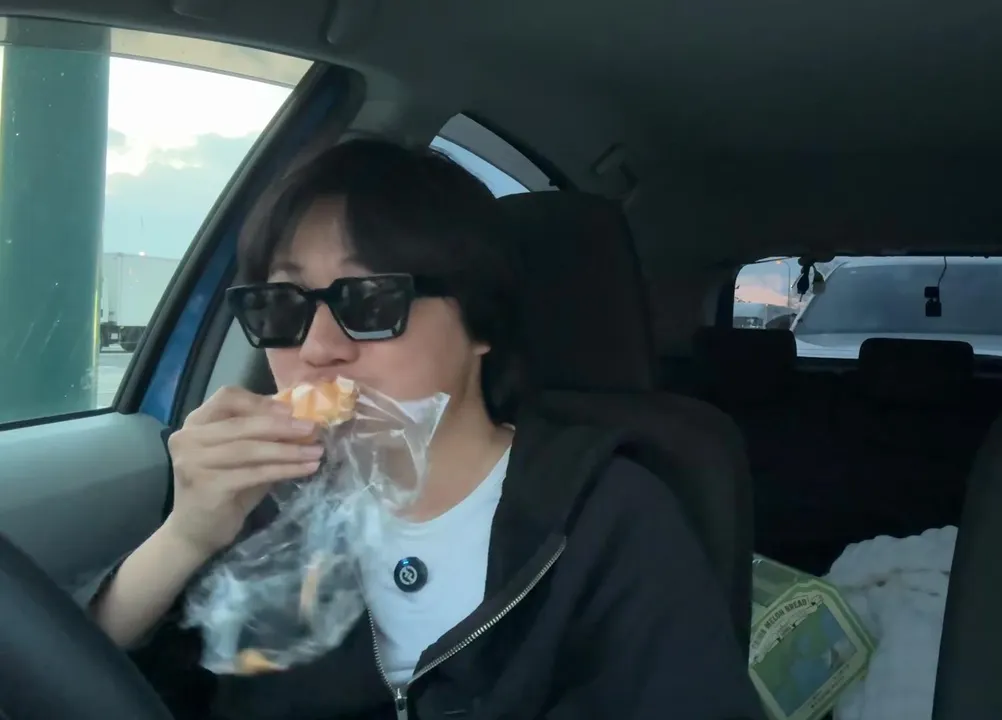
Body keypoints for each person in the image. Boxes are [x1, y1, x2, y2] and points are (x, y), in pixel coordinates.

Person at [81, 138, 763, 720]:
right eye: (282, 305)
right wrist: (185, 536)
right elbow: (82, 689)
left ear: (480, 323)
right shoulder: (256, 503)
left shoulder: (607, 515)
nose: (316, 348)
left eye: (371, 300)